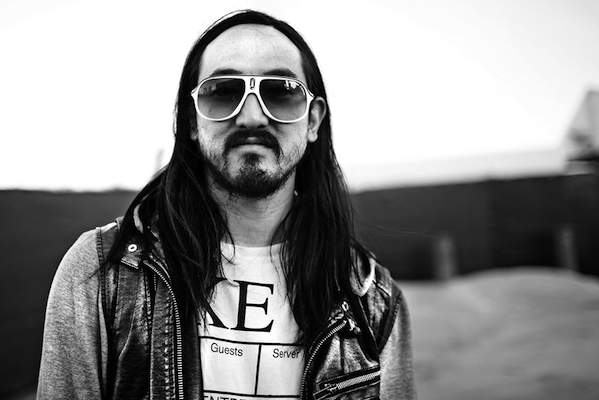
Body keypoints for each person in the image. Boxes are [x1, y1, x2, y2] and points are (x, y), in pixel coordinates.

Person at [38, 9, 415, 400]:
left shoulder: (372, 298)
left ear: (313, 121)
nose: (252, 117)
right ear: (191, 121)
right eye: (222, 91)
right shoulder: (101, 273)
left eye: (281, 91)